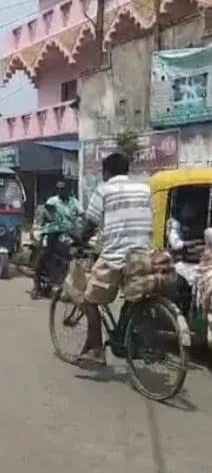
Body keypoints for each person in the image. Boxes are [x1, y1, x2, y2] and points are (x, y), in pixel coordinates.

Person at [76, 153, 153, 366]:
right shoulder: (144, 189)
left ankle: (96, 349)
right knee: (133, 296)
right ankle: (127, 337)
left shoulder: (104, 190)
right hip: (143, 253)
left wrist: (79, 242)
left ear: (106, 171)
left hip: (116, 254)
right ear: (127, 170)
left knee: (88, 299)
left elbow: (90, 224)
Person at [33, 181, 82, 295]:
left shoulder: (74, 202)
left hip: (70, 231)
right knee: (47, 252)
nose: (61, 191)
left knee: (80, 250)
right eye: (59, 189)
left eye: (63, 189)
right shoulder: (52, 201)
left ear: (69, 190)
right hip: (54, 230)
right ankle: (36, 283)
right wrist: (51, 217)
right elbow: (48, 212)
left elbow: (82, 213)